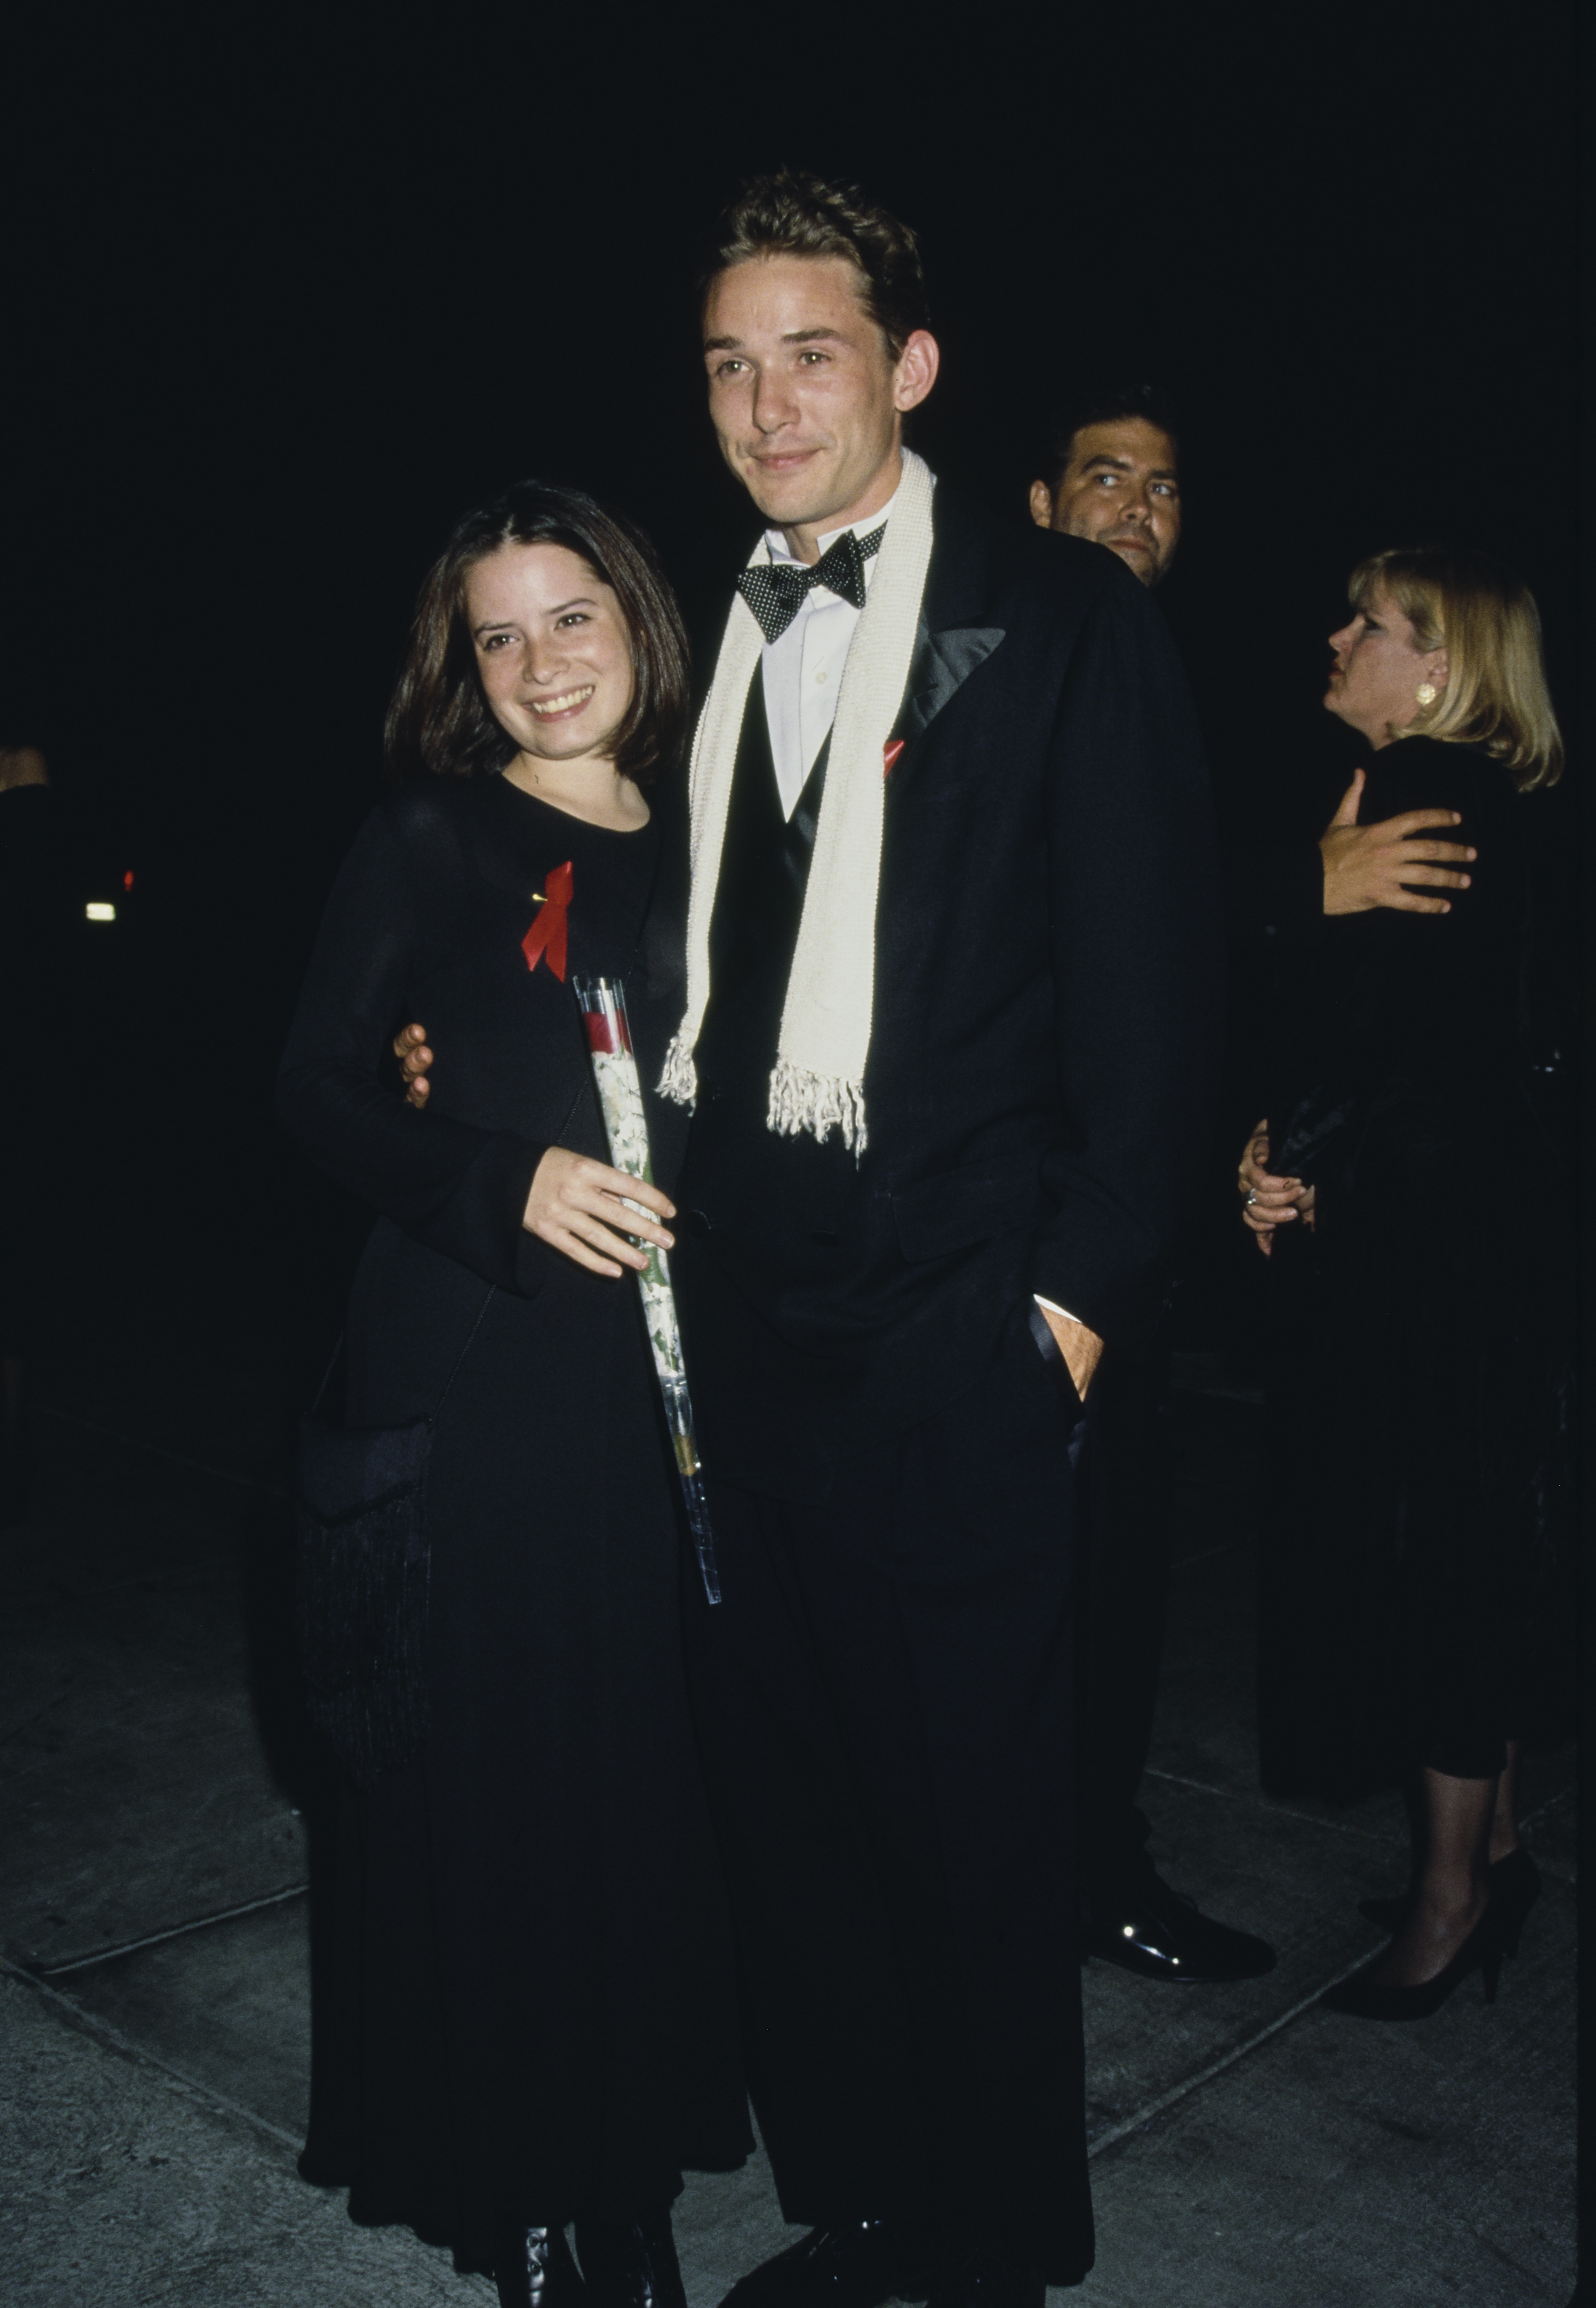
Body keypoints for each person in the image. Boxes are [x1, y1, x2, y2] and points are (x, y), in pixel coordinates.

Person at [656, 170, 1216, 2307]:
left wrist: (1065, 1311)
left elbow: (1155, 1018)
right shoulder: (709, 628)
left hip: (965, 1332)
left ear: (908, 366)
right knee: (791, 1816)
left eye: (810, 352)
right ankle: (865, 2202)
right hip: (742, 1330)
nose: (766, 401)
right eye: (728, 361)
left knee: (972, 1830)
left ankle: (988, 2248)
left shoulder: (1060, 616)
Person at [275, 482, 750, 2306]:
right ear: (459, 668)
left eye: (572, 618)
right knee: (497, 1799)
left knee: (643, 1794)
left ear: (637, 621)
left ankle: (626, 2166)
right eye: (499, 633)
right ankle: (538, 2199)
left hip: (674, 1399)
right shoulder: (430, 833)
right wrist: (497, 1177)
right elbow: (316, 1087)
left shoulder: (727, 838)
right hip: (477, 1373)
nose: (541, 663)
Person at [1237, 545, 1570, 2022]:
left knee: (1433, 1552)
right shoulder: (1494, 802)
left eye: (1365, 623)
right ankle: (1491, 1846)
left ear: (1436, 662)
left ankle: (1448, 1908)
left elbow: (1381, 1042)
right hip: (1483, 1245)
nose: (1336, 636)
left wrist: (1287, 1158)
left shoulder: (1420, 792)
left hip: (1424, 1257)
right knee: (1474, 1532)